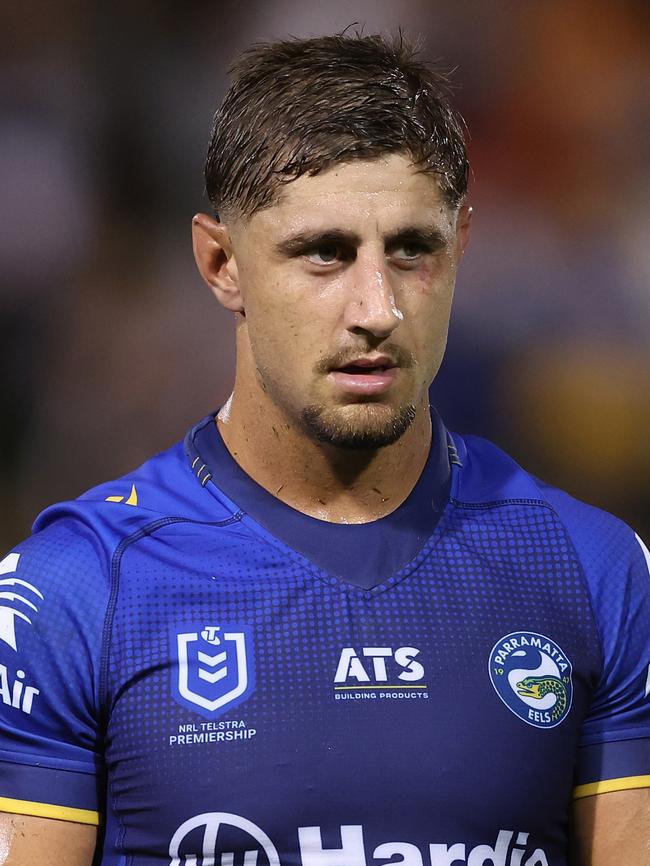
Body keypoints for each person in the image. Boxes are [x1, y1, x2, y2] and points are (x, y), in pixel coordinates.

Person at [0, 33, 648, 866]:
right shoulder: (77, 592)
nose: (376, 306)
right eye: (324, 253)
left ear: (462, 250)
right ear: (220, 261)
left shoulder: (590, 570)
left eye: (412, 249)